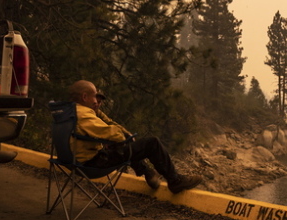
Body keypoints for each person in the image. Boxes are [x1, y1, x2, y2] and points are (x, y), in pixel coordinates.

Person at [67, 80, 202, 194]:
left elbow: (109, 125)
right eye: (94, 96)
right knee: (151, 143)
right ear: (84, 97)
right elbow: (114, 134)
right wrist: (124, 137)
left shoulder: (70, 111)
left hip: (72, 160)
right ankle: (174, 181)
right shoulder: (84, 115)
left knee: (123, 143)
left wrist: (124, 135)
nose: (97, 100)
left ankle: (147, 172)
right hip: (91, 164)